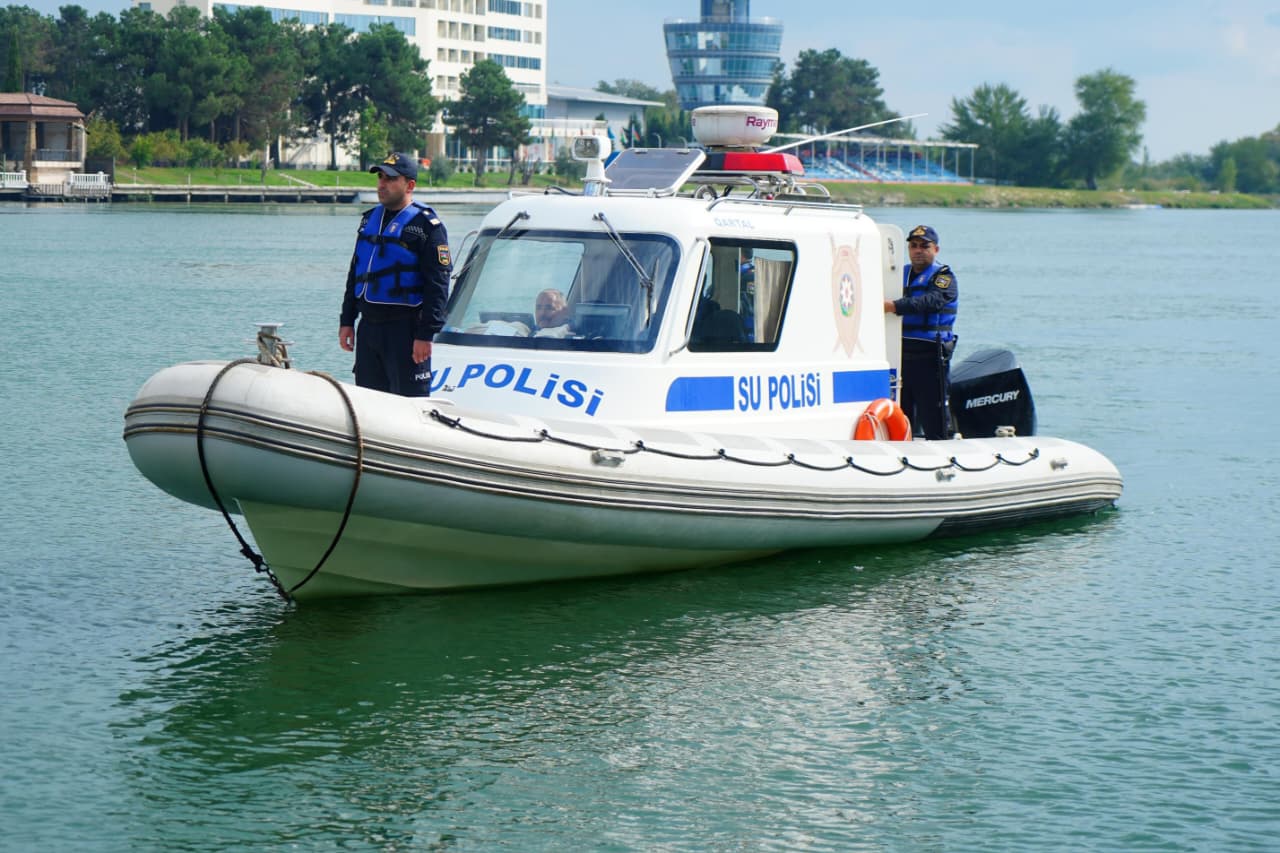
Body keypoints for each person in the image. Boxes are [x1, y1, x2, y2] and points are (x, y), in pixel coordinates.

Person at [339, 152, 452, 396]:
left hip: (405, 330)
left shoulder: (426, 227)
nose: (382, 184)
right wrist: (347, 320)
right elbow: (356, 272)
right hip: (368, 329)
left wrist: (426, 334)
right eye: (380, 177)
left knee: (410, 401)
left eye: (390, 179)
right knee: (368, 401)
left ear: (409, 185)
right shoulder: (369, 220)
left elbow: (438, 284)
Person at [883, 224, 958, 439]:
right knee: (902, 413)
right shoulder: (898, 274)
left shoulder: (944, 277)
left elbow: (931, 301)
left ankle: (941, 448)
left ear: (936, 249)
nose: (918, 250)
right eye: (914, 246)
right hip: (900, 354)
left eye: (924, 246)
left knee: (933, 415)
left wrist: (893, 306)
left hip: (930, 356)